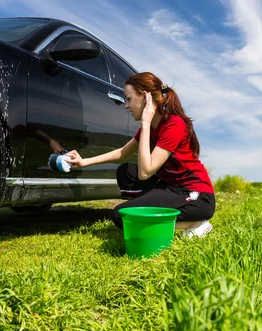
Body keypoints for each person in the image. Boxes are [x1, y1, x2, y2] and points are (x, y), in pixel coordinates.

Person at [65, 72, 215, 238]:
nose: (126, 106)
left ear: (144, 97)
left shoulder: (174, 124)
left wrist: (145, 123)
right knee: (126, 171)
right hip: (170, 188)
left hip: (196, 196)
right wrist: (84, 162)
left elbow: (145, 173)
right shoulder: (150, 128)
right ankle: (143, 210)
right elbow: (122, 152)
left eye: (129, 99)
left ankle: (196, 223)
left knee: (122, 216)